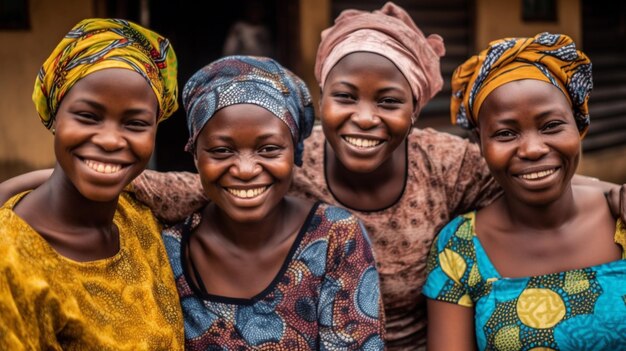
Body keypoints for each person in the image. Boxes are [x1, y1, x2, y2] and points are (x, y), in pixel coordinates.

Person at [1, 3, 624, 350]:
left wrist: (609, 194)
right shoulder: (272, 173)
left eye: (390, 100)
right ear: (321, 101)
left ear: (418, 107)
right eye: (345, 95)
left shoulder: (447, 165)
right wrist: (22, 187)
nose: (364, 117)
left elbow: (527, 168)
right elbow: (154, 182)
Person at [165, 55, 384, 349]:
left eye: (268, 149)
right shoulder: (170, 252)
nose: (245, 170)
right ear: (194, 155)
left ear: (294, 152)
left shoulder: (336, 238)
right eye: (221, 150)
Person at [423, 33, 626, 350]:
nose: (532, 149)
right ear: (480, 143)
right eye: (505, 133)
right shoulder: (460, 249)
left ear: (579, 124)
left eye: (551, 125)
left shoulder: (622, 220)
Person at [0, 19, 184, 349]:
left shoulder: (138, 215)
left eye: (135, 123)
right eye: (88, 116)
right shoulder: (11, 260)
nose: (111, 140)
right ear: (55, 115)